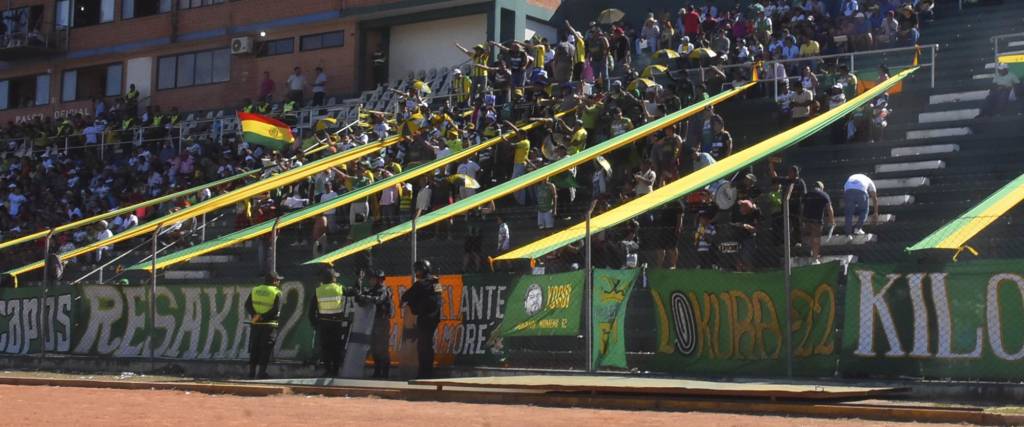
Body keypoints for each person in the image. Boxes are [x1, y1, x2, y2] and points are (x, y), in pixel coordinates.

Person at [400, 260, 442, 379]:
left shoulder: (421, 284)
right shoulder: (436, 282)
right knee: (427, 345)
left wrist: (405, 301)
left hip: (425, 318)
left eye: (418, 270)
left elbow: (406, 296)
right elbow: (439, 298)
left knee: (424, 346)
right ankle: (426, 372)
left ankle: (424, 373)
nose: (416, 273)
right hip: (434, 318)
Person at [308, 266, 347, 377]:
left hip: (323, 324)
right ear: (333, 278)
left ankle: (328, 370)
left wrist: (316, 325)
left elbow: (311, 312)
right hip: (337, 324)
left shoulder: (318, 291)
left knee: (325, 348)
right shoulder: (339, 288)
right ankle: (335, 370)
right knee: (336, 347)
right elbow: (352, 293)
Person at [357, 269, 393, 379]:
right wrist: (360, 293)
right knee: (374, 348)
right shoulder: (372, 290)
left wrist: (366, 297)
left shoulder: (384, 290)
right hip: (373, 322)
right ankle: (377, 371)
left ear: (378, 280)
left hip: (382, 322)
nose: (370, 281)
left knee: (382, 348)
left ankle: (385, 373)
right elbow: (361, 301)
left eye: (373, 279)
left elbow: (379, 300)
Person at [245, 273, 283, 379]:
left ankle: (251, 373)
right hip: (269, 325)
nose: (279, 282)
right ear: (274, 281)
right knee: (265, 349)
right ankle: (261, 373)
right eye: (278, 280)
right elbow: (275, 310)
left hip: (256, 324)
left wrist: (256, 316)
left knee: (254, 348)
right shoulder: (277, 292)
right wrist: (263, 317)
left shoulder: (255, 290)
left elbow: (247, 305)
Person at [801, 181, 835, 264]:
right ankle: (815, 259)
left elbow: (801, 207)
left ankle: (812, 253)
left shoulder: (807, 194)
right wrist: (832, 220)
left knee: (810, 237)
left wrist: (801, 219)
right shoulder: (824, 195)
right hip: (817, 220)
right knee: (816, 239)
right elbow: (829, 208)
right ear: (821, 188)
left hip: (806, 220)